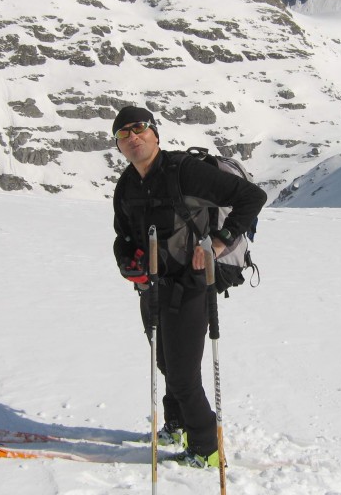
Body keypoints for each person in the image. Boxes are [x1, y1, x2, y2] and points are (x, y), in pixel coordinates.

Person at [111, 105, 267, 468]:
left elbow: (252, 197)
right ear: (118, 145)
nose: (132, 137)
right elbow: (123, 236)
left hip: (191, 284)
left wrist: (219, 242)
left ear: (155, 133)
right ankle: (176, 424)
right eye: (123, 133)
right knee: (165, 362)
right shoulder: (127, 185)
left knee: (183, 376)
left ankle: (205, 447)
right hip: (152, 287)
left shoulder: (184, 172)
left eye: (139, 128)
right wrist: (127, 263)